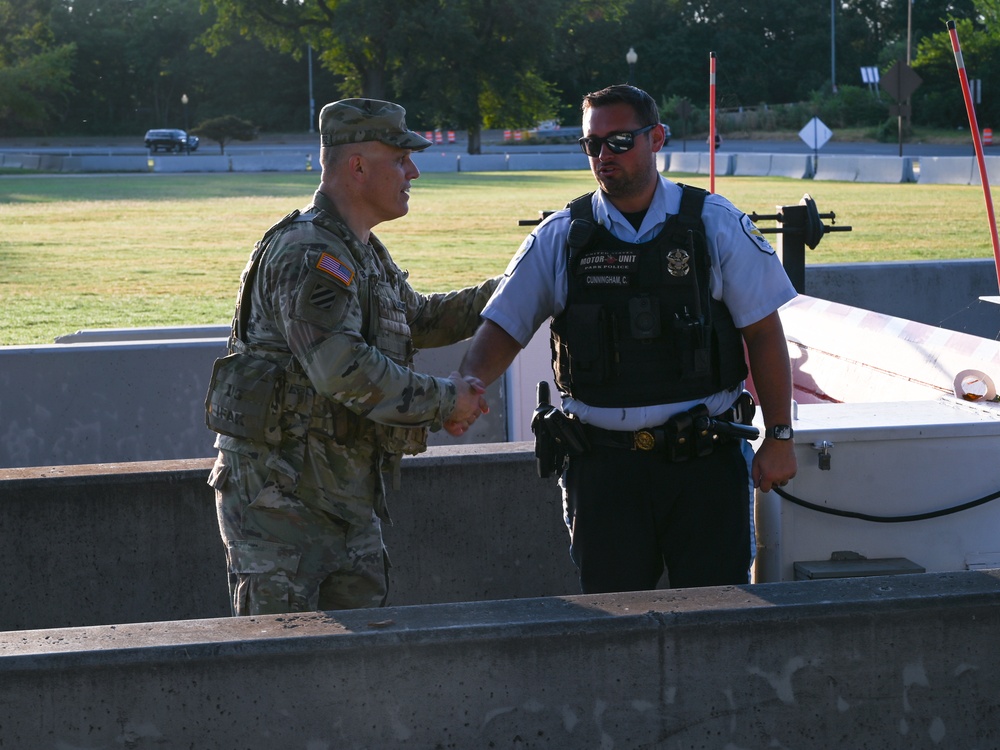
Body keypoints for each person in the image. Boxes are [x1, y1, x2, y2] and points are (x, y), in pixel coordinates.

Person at [450, 84, 797, 594]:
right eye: (592, 144)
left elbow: (764, 334)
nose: (603, 155)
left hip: (705, 466)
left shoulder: (715, 224)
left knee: (719, 614)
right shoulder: (561, 236)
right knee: (615, 620)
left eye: (619, 141)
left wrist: (780, 436)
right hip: (603, 470)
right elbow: (503, 326)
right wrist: (465, 389)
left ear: (656, 138)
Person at [206, 98, 499, 615]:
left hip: (344, 500)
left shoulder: (359, 249)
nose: (413, 173)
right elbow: (342, 369)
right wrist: (446, 401)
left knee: (363, 657)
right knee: (280, 656)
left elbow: (420, 320)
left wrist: (518, 285)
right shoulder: (309, 253)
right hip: (281, 509)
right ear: (357, 166)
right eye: (400, 159)